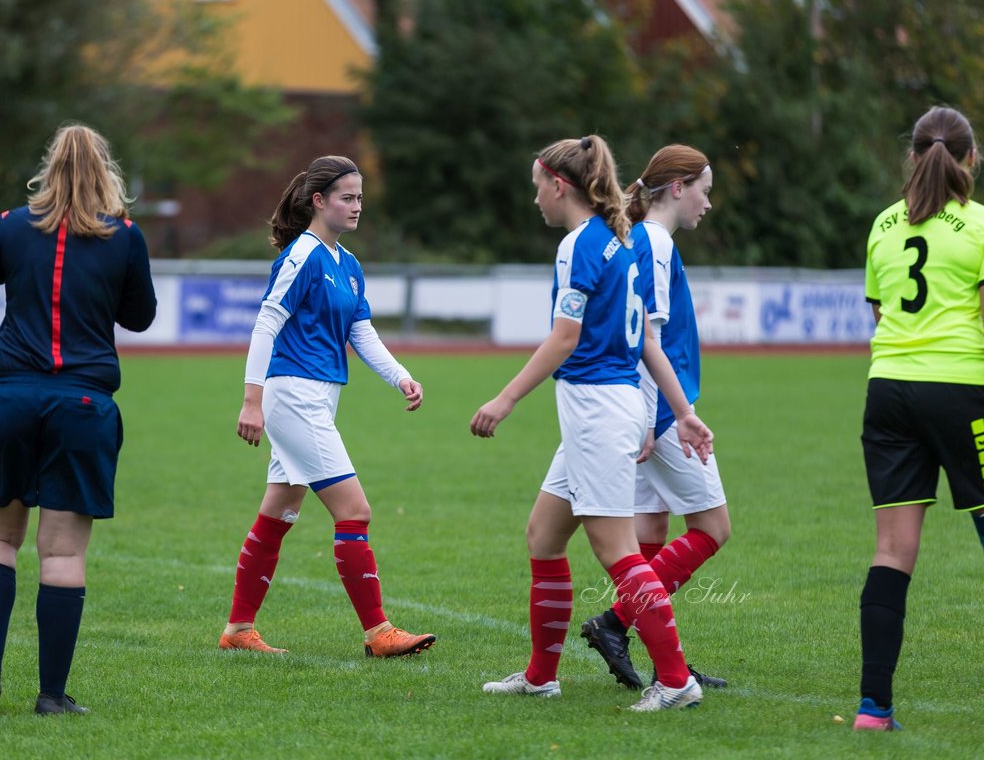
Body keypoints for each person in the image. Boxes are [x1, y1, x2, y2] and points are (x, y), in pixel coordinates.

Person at [472, 135, 714, 712]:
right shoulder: (618, 239)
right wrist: (682, 412)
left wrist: (504, 399)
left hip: (598, 412)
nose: (536, 201)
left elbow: (565, 337)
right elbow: (648, 342)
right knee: (544, 535)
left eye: (538, 189)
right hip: (611, 407)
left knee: (617, 550)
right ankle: (540, 676)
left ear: (560, 185)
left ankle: (676, 681)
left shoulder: (580, 244)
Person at [0, 123, 156, 716]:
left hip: (9, 399)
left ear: (47, 168)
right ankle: (52, 696)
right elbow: (140, 317)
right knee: (60, 555)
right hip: (83, 405)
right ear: (105, 171)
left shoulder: (10, 226)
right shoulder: (124, 237)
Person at [218, 155, 436, 658]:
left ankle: (237, 629)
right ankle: (379, 632)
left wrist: (400, 375)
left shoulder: (348, 264)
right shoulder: (303, 255)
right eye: (347, 197)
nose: (357, 206)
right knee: (355, 511)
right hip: (293, 396)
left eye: (360, 197)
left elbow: (361, 332)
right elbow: (266, 323)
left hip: (317, 396)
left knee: (279, 510)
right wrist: (252, 400)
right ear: (319, 201)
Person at [579, 145, 731, 691]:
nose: (707, 204)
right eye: (705, 191)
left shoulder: (640, 239)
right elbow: (647, 338)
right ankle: (618, 623)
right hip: (658, 410)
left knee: (651, 530)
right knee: (713, 528)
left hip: (644, 406)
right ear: (677, 187)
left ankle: (646, 642)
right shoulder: (657, 243)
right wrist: (653, 416)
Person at [854, 105, 984, 732]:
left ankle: (872, 709)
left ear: (913, 157)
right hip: (961, 389)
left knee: (892, 550)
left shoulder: (882, 224)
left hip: (888, 392)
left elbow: (882, 316)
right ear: (971, 159)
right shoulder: (981, 225)